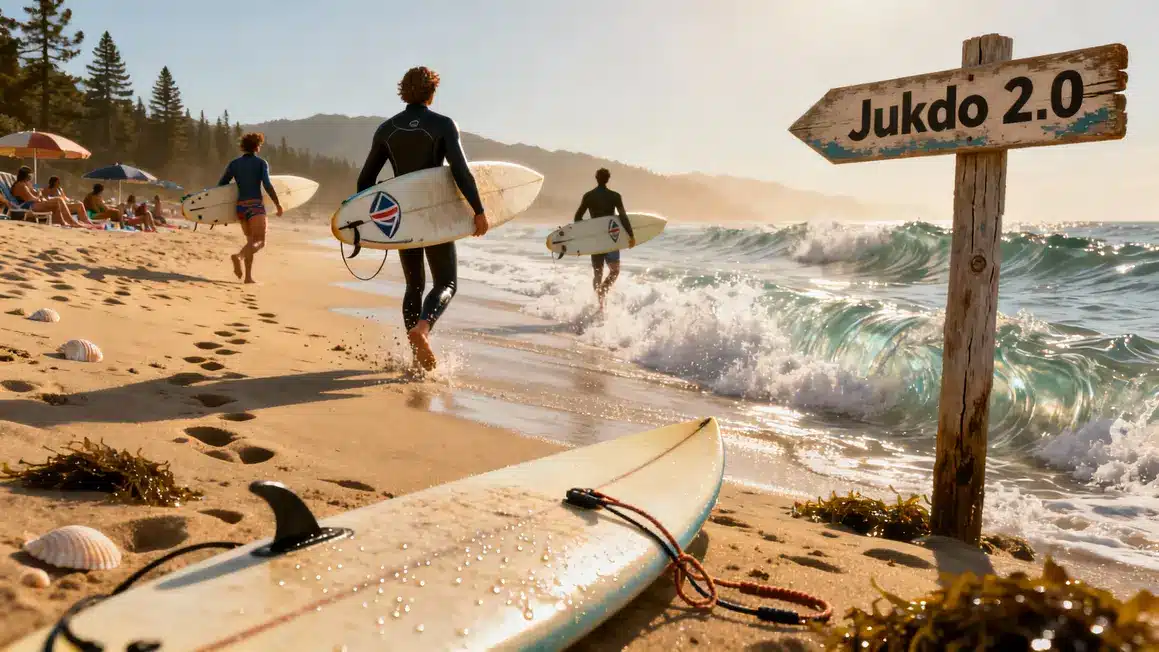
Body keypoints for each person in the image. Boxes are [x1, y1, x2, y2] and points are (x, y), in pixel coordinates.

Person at [356, 66, 488, 371]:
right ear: (433, 91)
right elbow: (460, 171)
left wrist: (378, 220)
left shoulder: (386, 130)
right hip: (436, 215)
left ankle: (416, 355)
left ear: (403, 91)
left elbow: (365, 182)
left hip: (403, 217)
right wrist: (478, 211)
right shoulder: (442, 124)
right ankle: (423, 329)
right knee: (447, 281)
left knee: (413, 284)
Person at [218, 132, 282, 284]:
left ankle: (248, 277)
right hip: (255, 207)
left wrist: (222, 211)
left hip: (240, 207)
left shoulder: (234, 164)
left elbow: (222, 185)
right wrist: (277, 204)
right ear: (257, 146)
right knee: (260, 241)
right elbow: (267, 184)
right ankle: (238, 257)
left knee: (250, 242)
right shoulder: (261, 163)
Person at [574, 167, 635, 311]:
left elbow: (577, 219)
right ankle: (603, 291)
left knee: (598, 272)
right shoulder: (615, 196)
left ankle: (599, 304)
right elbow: (623, 217)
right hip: (611, 238)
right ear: (608, 179)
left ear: (596, 178)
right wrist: (631, 235)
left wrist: (586, 235)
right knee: (614, 271)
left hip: (596, 240)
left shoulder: (588, 196)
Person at [10, 167, 82, 227]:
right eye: (30, 174)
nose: (32, 176)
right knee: (58, 200)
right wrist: (39, 196)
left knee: (56, 203)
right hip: (28, 206)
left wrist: (39, 194)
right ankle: (72, 222)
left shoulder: (25, 184)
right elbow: (31, 198)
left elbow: (34, 194)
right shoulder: (21, 185)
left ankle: (63, 222)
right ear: (27, 175)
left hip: (32, 204)